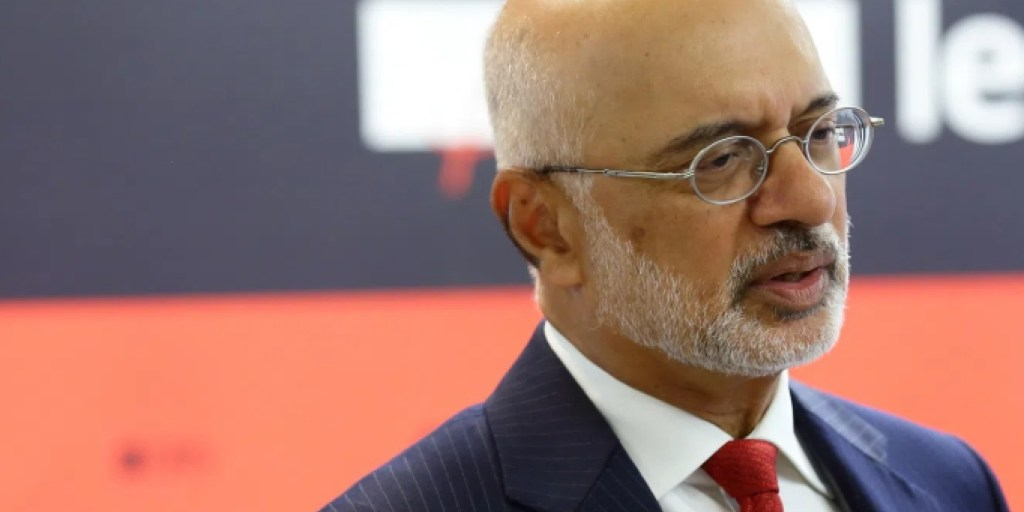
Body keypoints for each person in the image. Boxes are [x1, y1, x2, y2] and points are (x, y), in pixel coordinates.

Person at [320, 0, 1009, 510]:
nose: (808, 198)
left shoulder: (948, 483)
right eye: (723, 159)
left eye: (820, 131)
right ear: (545, 227)